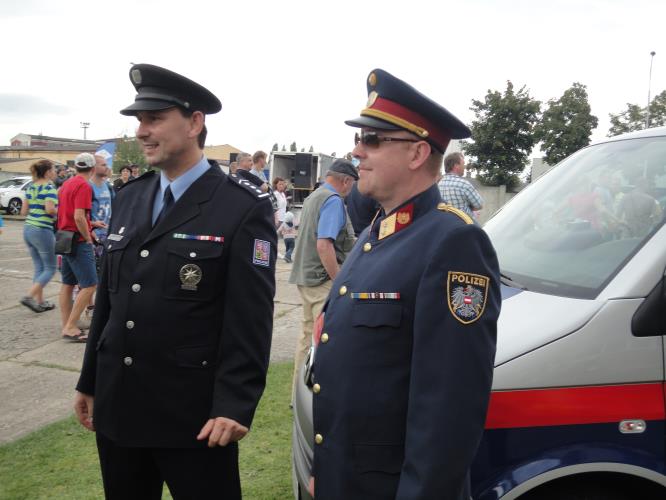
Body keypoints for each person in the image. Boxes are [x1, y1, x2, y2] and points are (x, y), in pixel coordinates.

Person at [74, 63, 276, 500]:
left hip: (195, 418)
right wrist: (89, 380)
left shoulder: (240, 207)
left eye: (154, 119)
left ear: (195, 122)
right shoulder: (130, 198)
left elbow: (250, 319)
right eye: (139, 121)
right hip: (120, 409)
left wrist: (235, 405)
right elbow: (109, 305)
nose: (142, 132)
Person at [309, 69, 501, 500]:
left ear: (417, 153)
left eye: (372, 140)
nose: (357, 151)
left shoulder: (454, 242)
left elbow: (448, 408)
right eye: (359, 138)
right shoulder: (380, 229)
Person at [288, 159, 357, 400]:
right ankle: (315, 398)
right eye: (352, 184)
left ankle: (298, 397)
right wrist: (338, 281)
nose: (351, 190)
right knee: (325, 340)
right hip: (322, 280)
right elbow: (324, 244)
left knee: (306, 338)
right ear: (346, 181)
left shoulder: (313, 197)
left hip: (306, 277)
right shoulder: (333, 200)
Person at [57, 153, 98, 342]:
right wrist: (88, 237)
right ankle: (71, 327)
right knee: (89, 285)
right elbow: (79, 216)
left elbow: (66, 212)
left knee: (67, 284)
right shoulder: (84, 185)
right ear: (93, 168)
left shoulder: (67, 183)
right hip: (77, 241)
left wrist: (91, 225)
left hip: (64, 238)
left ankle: (67, 323)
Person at [19, 159, 58, 313]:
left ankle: (40, 301)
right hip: (42, 230)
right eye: (54, 169)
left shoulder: (31, 186)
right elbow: (50, 209)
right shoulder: (49, 187)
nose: (55, 172)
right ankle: (29, 297)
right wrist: (59, 211)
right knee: (50, 268)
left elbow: (23, 212)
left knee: (39, 267)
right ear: (48, 172)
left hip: (28, 229)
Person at [438, 152, 484, 219]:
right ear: (456, 165)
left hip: (446, 226)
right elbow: (479, 205)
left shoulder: (439, 184)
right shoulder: (463, 184)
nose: (464, 166)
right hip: (464, 226)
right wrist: (469, 207)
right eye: (463, 163)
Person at [90, 155, 113, 276]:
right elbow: (81, 214)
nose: (106, 167)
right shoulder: (88, 186)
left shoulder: (107, 186)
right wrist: (91, 229)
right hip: (94, 236)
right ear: (94, 167)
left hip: (107, 233)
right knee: (92, 276)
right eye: (103, 165)